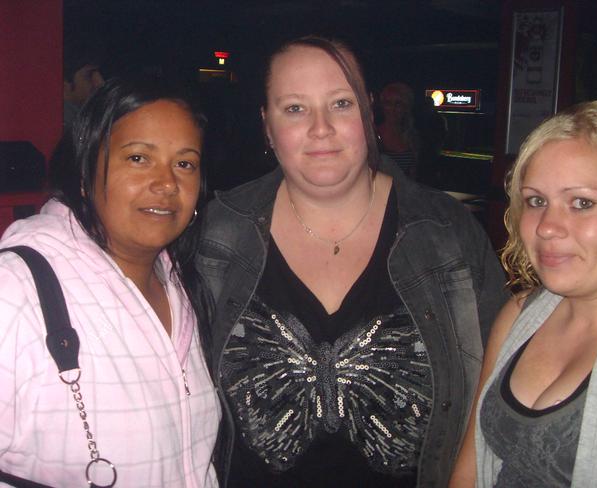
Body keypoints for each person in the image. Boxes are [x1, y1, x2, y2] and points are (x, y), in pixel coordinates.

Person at [197, 36, 507, 488]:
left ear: (368, 112)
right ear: (267, 125)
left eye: (340, 103)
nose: (320, 128)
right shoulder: (217, 231)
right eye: (295, 109)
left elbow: (498, 389)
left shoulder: (446, 233)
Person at [0, 78, 219, 487]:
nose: (167, 183)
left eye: (185, 163)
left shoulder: (187, 287)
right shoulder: (15, 293)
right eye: (138, 158)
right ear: (86, 171)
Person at [449, 100, 597, 488]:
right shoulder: (521, 313)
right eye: (537, 201)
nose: (547, 227)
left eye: (582, 203)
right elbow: (468, 470)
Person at [376, 81, 420, 179]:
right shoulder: (373, 134)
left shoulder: (412, 137)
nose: (393, 109)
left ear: (406, 107)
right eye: (388, 103)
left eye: (398, 104)